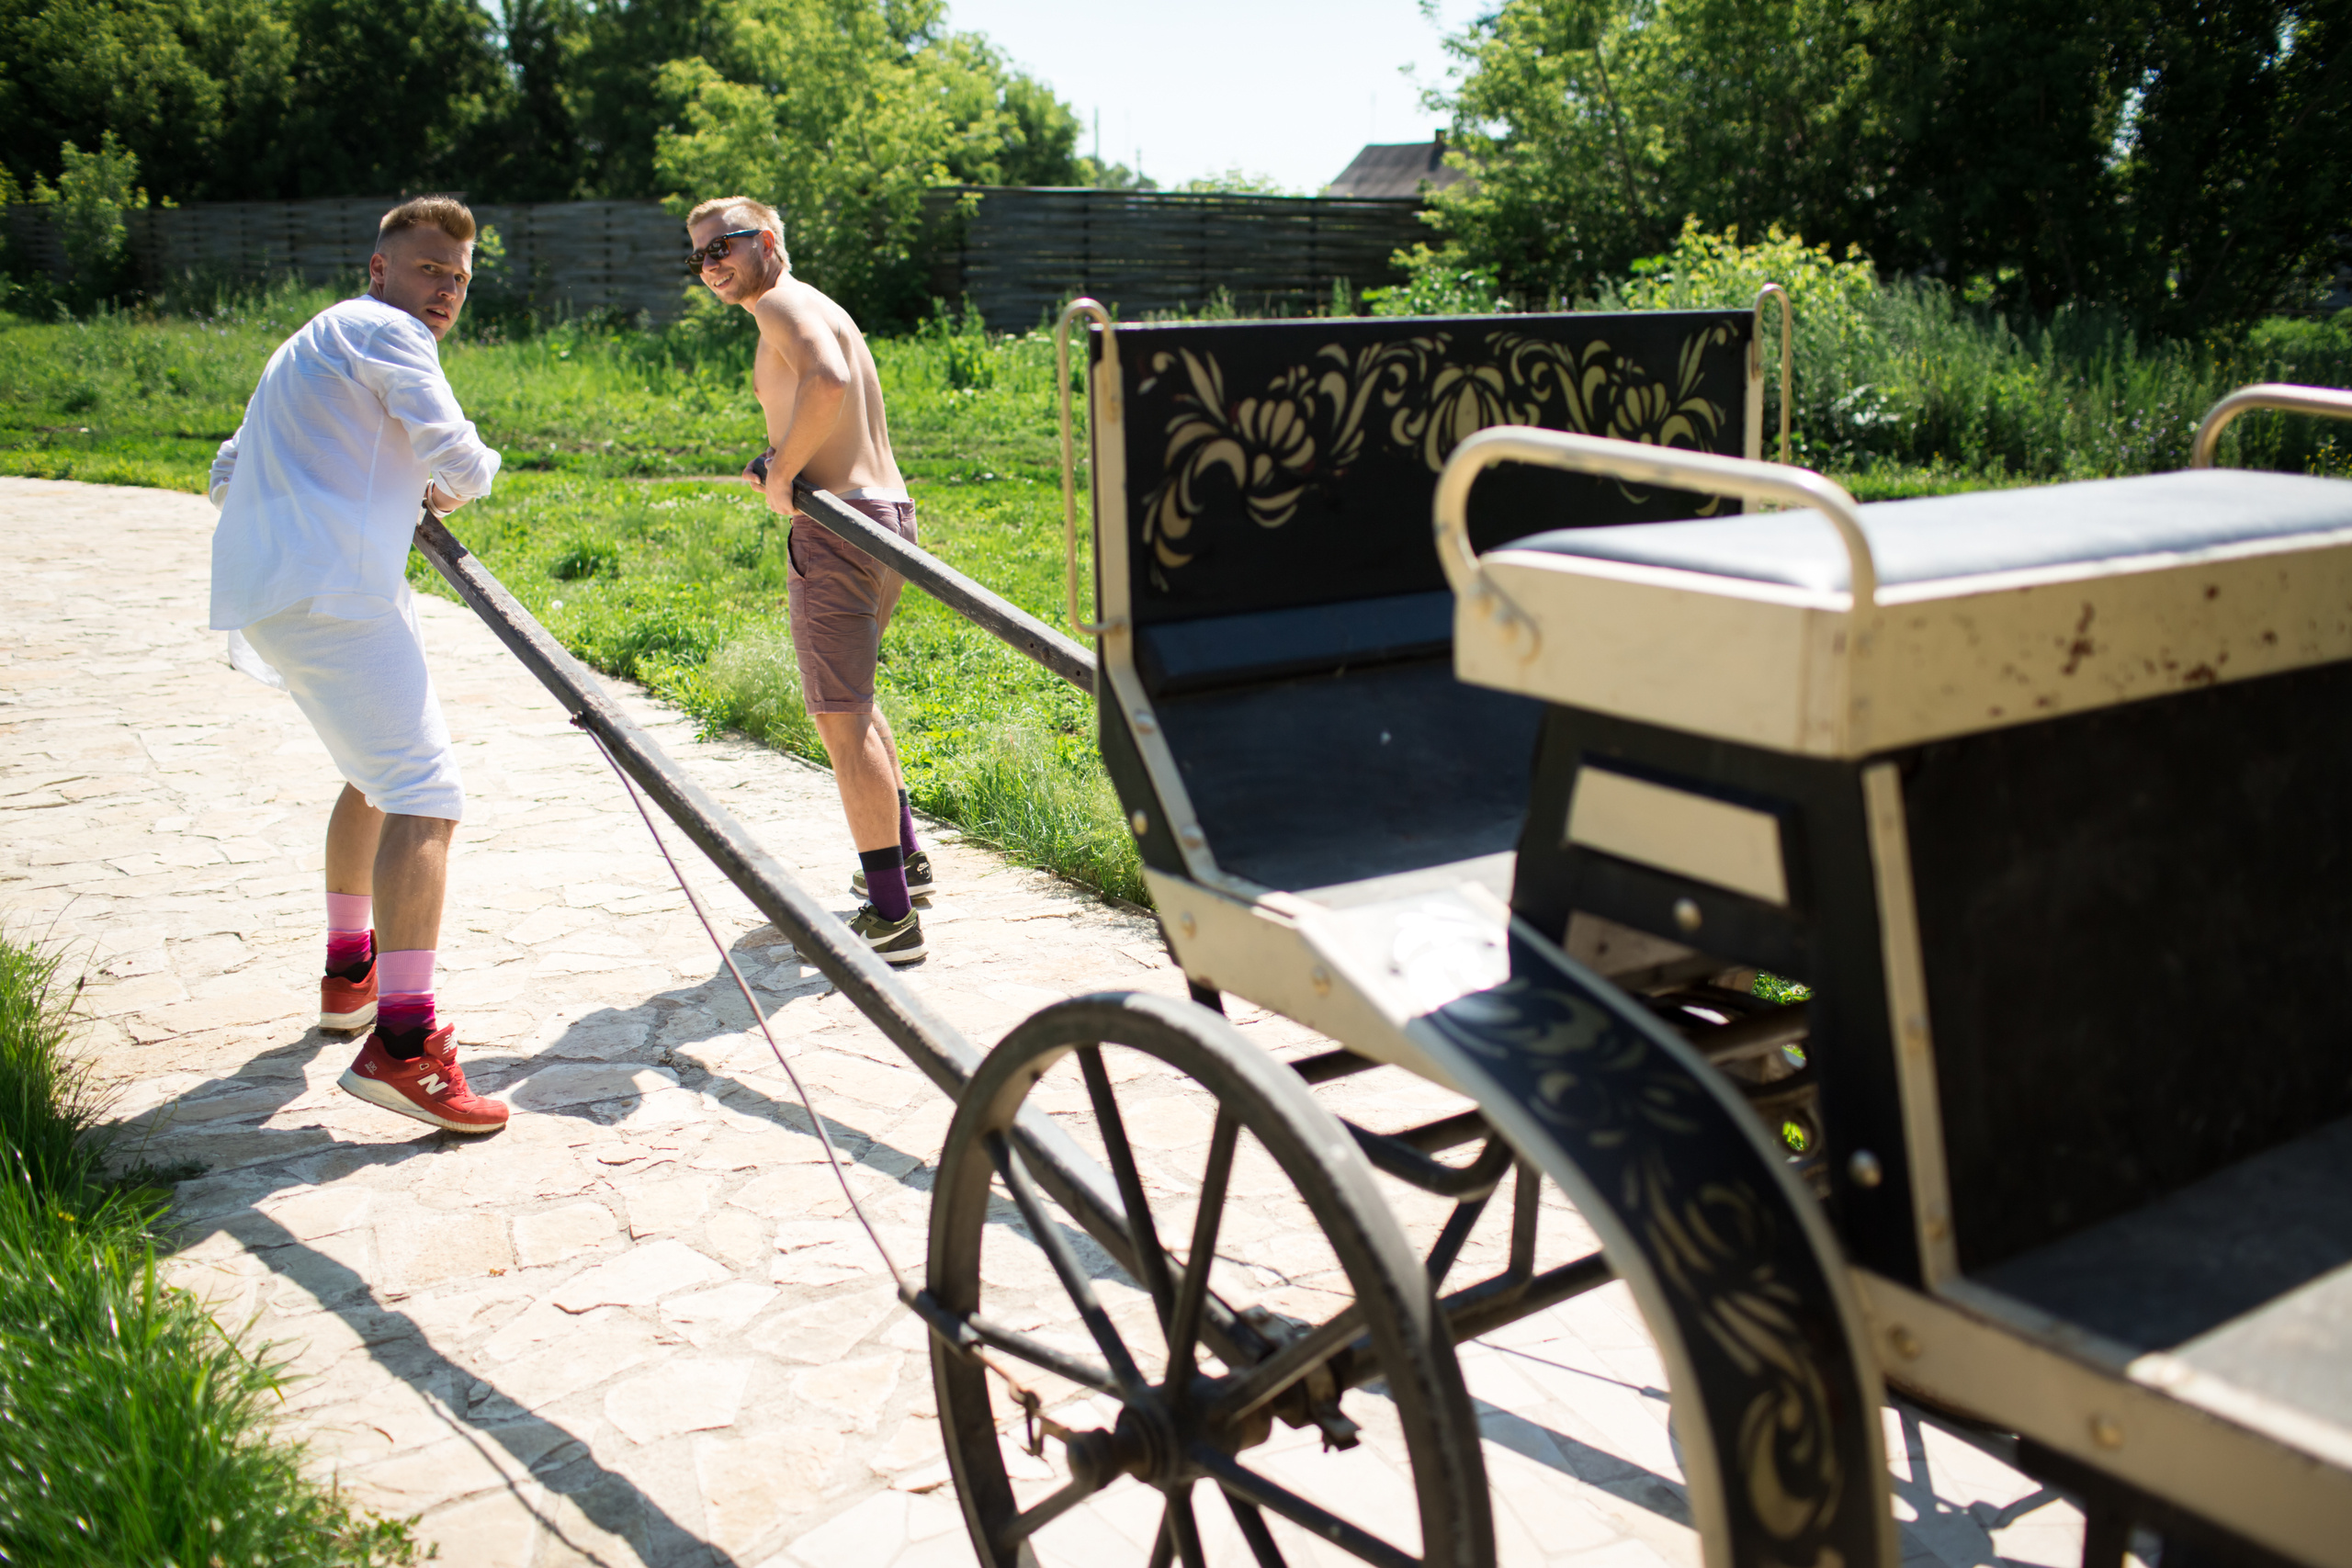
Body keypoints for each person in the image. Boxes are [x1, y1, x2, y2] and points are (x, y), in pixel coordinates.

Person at [208, 196, 509, 1134]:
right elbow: (456, 453)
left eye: (457, 278)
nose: (444, 291)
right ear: (380, 268)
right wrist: (463, 478)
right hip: (337, 589)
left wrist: (382, 484)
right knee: (426, 792)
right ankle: (407, 1045)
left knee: (371, 776)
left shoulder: (308, 345)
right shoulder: (385, 329)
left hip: (287, 589)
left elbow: (227, 471)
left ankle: (351, 975)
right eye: (429, 269)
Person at [686, 195, 932, 963]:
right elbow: (828, 391)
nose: (709, 265)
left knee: (838, 714)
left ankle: (891, 918)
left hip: (837, 526)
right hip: (886, 516)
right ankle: (908, 861)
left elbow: (824, 382)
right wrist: (781, 462)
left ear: (764, 239)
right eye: (696, 256)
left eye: (721, 246)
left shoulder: (779, 304)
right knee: (856, 703)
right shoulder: (814, 301)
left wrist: (784, 472)